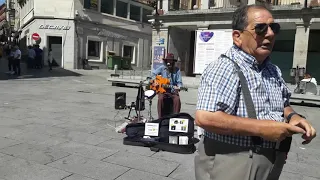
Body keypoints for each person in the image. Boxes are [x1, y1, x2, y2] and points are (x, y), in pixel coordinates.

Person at [195, 5, 316, 180]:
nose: (270, 34)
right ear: (237, 37)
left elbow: (283, 104)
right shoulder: (224, 68)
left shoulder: (272, 69)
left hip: (271, 158)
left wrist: (294, 117)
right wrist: (262, 128)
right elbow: (205, 118)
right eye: (260, 28)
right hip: (234, 161)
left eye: (274, 28)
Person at [151, 53, 182, 118]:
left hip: (173, 90)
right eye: (168, 61)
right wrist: (155, 81)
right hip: (163, 90)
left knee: (177, 100)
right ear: (166, 61)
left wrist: (179, 87)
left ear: (173, 62)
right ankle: (160, 118)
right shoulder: (162, 68)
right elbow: (153, 74)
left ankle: (175, 117)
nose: (169, 62)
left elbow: (179, 82)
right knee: (160, 99)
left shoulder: (177, 70)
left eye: (171, 61)